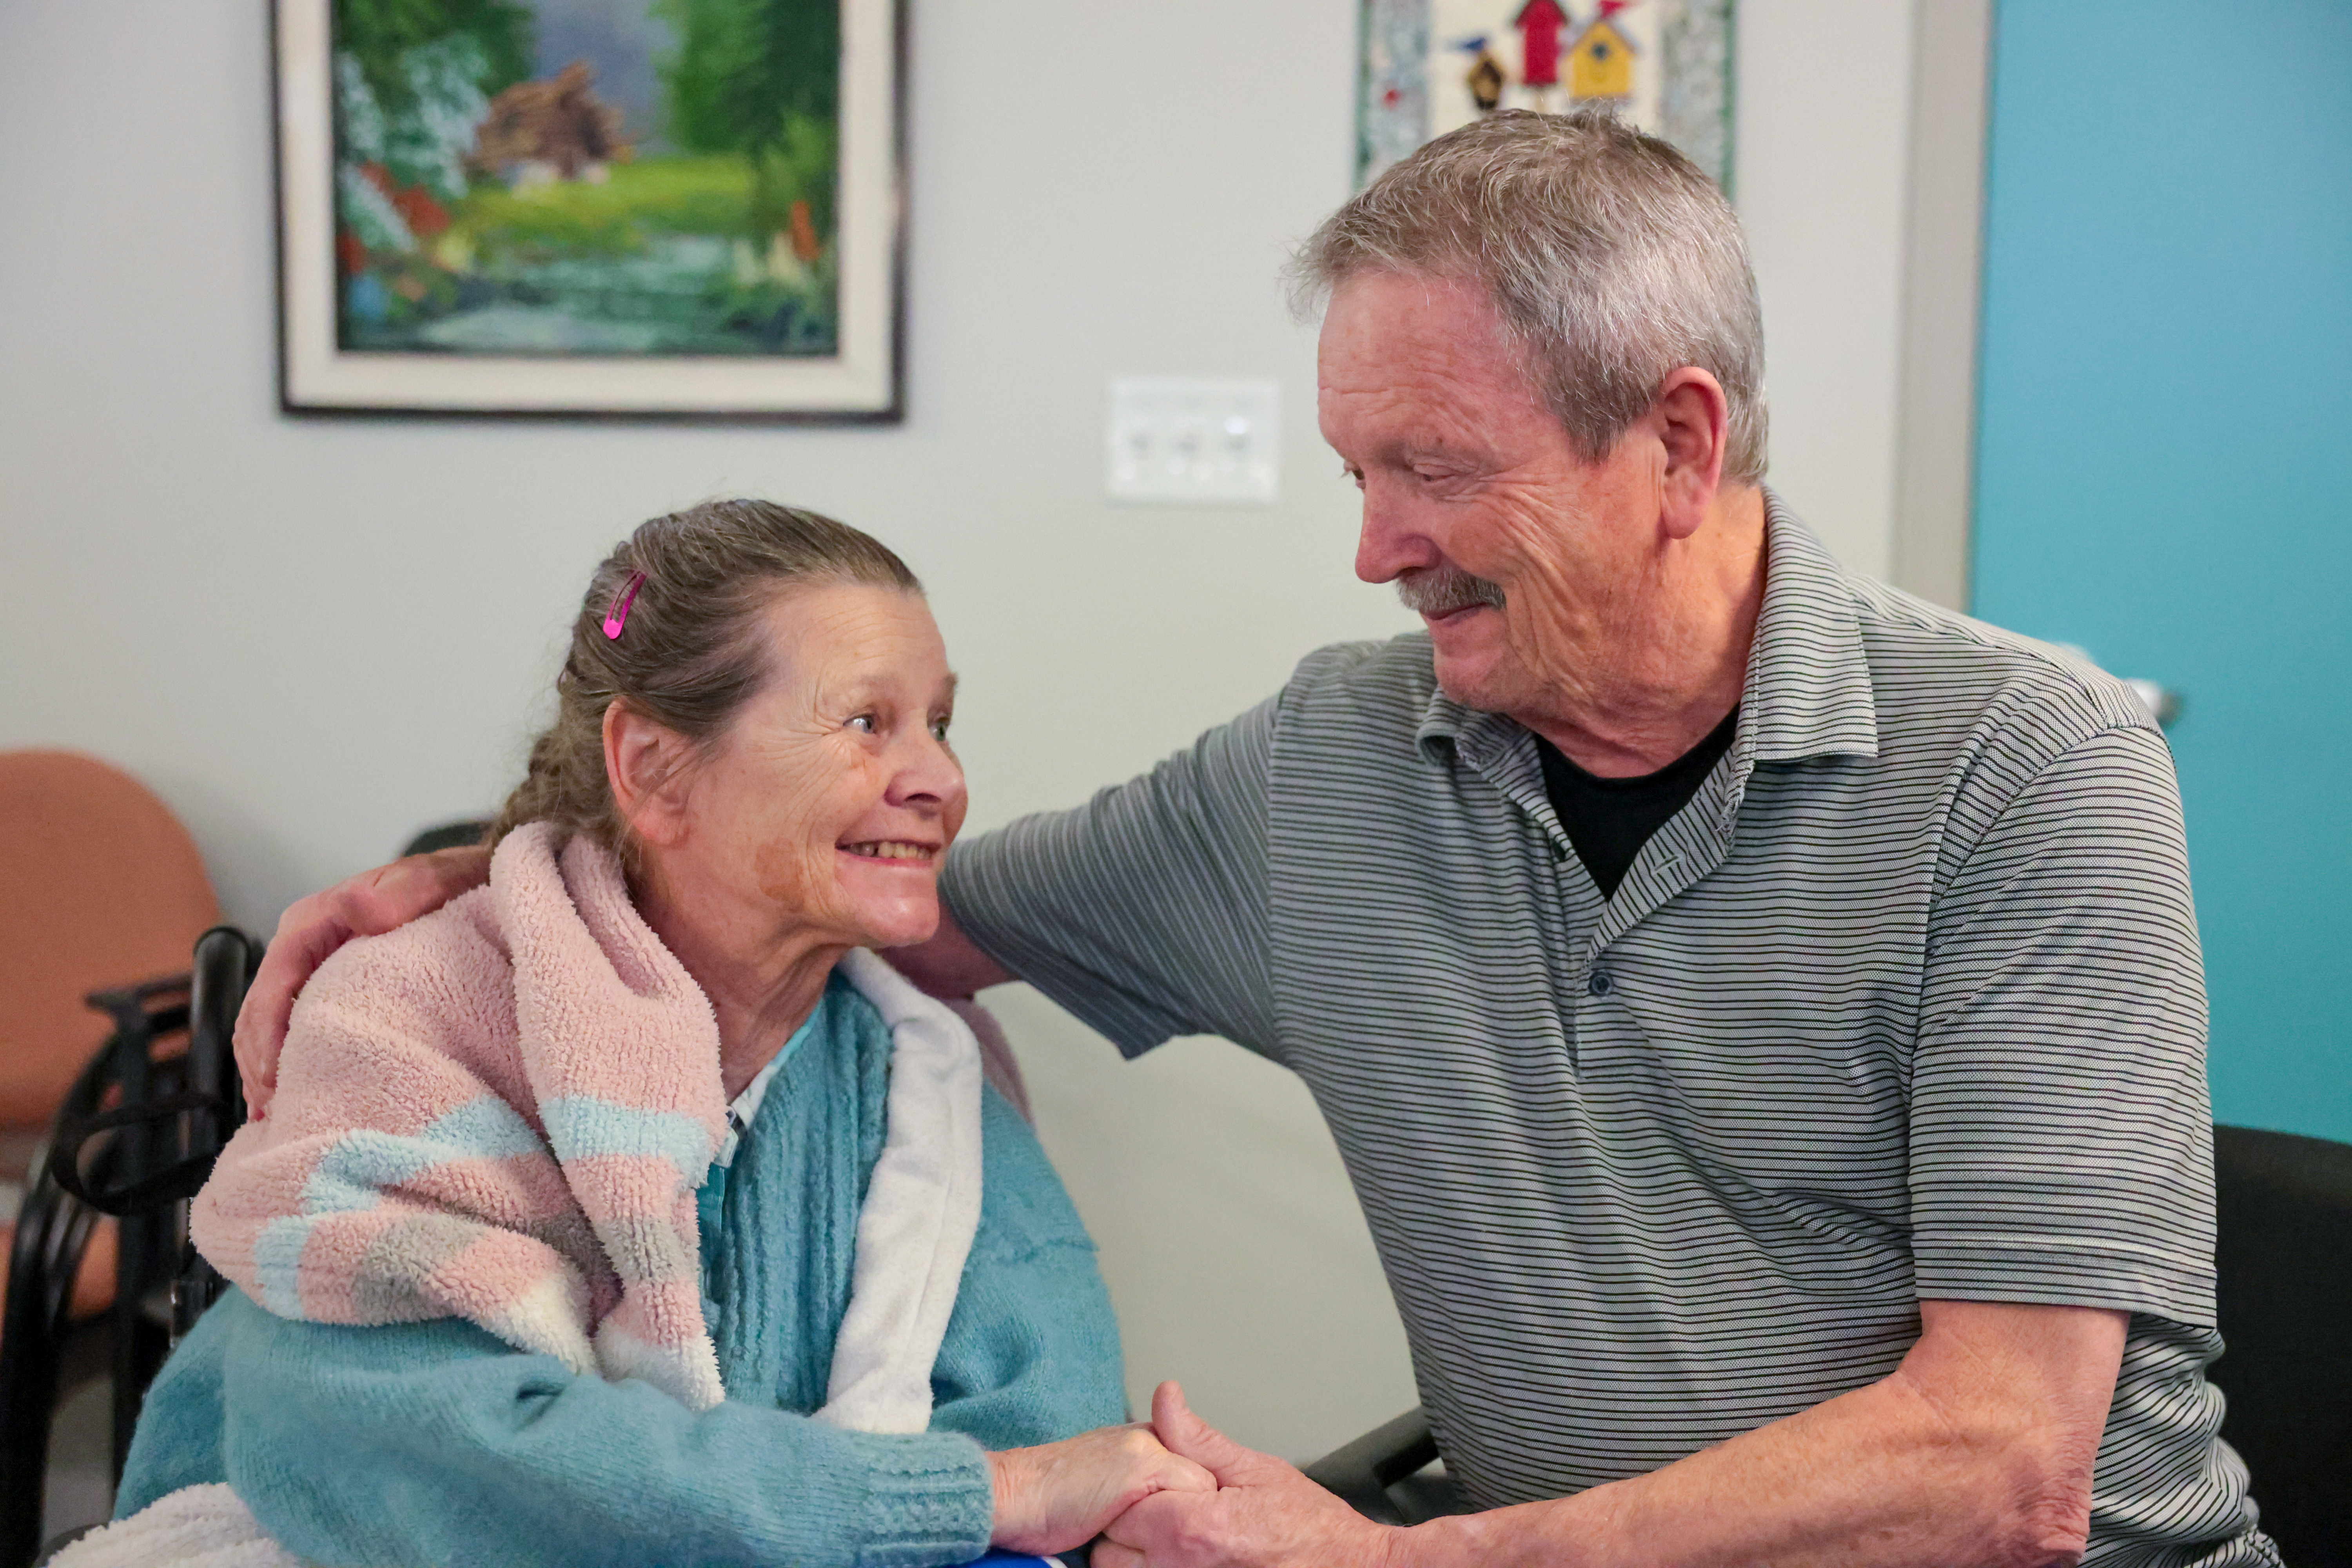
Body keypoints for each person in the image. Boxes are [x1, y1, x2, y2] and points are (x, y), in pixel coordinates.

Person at [236, 115, 2274, 1568]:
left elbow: (2006, 1471)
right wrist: (516, 879)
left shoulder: (2033, 769)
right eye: (1355, 468)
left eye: (1434, 471)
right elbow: (901, 911)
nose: (1374, 546)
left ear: (1676, 445)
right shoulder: (1332, 766)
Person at [98, 502, 1211, 1568]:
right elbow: (438, 1471)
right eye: (868, 722)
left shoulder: (918, 1063)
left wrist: (1020, 1501)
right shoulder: (409, 1021)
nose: (941, 780)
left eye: (941, 724)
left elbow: (1049, 1421)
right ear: (651, 769)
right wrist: (968, 1500)